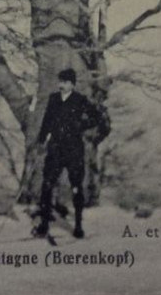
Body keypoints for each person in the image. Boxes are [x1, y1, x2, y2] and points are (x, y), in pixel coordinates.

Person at [33, 68, 109, 238]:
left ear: (72, 84)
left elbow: (96, 117)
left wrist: (81, 126)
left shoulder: (80, 100)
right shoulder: (53, 99)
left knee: (76, 187)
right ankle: (44, 225)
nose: (62, 85)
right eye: (60, 81)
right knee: (47, 185)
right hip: (55, 149)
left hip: (74, 150)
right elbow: (47, 121)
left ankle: (78, 226)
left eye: (65, 82)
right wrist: (41, 141)